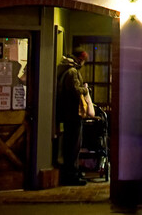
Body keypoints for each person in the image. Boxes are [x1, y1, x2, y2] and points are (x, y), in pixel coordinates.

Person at [56, 49, 90, 186]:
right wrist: (86, 89)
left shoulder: (66, 70)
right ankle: (71, 174)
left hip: (68, 113)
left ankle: (72, 171)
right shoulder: (72, 72)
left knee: (71, 143)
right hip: (73, 113)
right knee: (73, 144)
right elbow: (76, 90)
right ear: (79, 59)